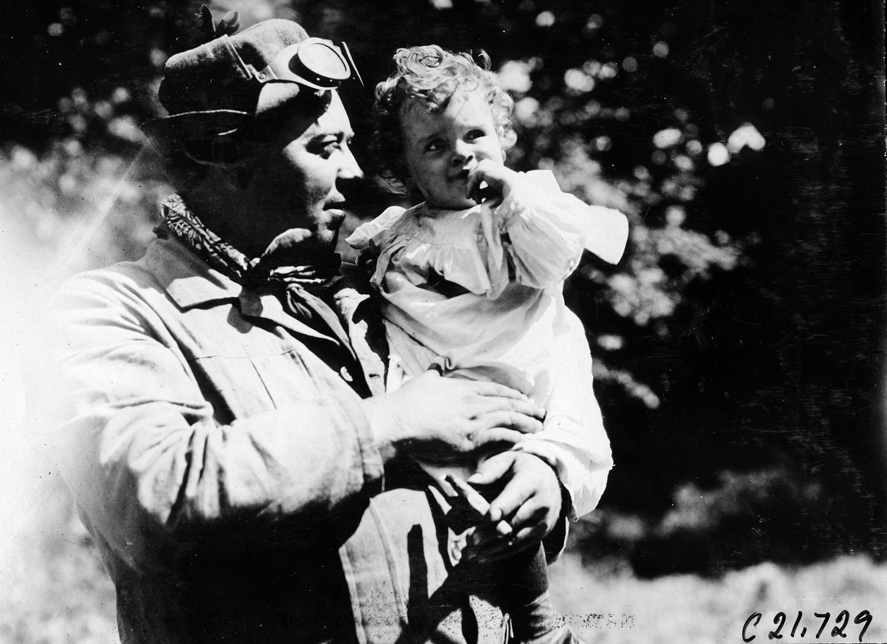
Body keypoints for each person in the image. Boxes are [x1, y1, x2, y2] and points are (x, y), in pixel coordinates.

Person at [49, 13, 598, 644]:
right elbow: (154, 500)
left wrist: (546, 475)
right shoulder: (116, 308)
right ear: (227, 160)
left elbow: (543, 341)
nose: (358, 172)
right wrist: (388, 423)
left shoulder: (369, 286)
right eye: (325, 148)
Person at [346, 45, 628, 643]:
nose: (461, 155)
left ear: (502, 135)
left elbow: (556, 258)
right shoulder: (399, 231)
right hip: (435, 379)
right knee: (449, 492)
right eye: (434, 146)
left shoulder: (519, 210)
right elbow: (357, 269)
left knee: (508, 481)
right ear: (404, 166)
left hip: (508, 374)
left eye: (474, 134)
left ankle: (539, 622)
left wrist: (514, 199)